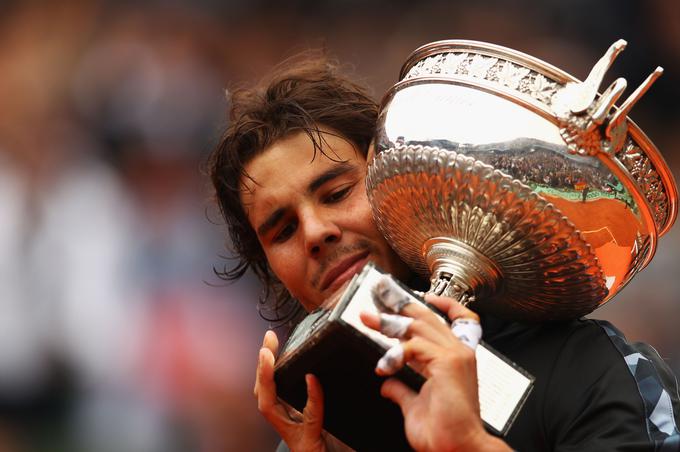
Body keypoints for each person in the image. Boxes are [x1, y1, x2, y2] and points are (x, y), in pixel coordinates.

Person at [208, 53, 680, 451]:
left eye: (336, 193)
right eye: (282, 230)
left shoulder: (597, 370)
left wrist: (471, 445)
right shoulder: (313, 433)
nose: (315, 232)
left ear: (395, 179)